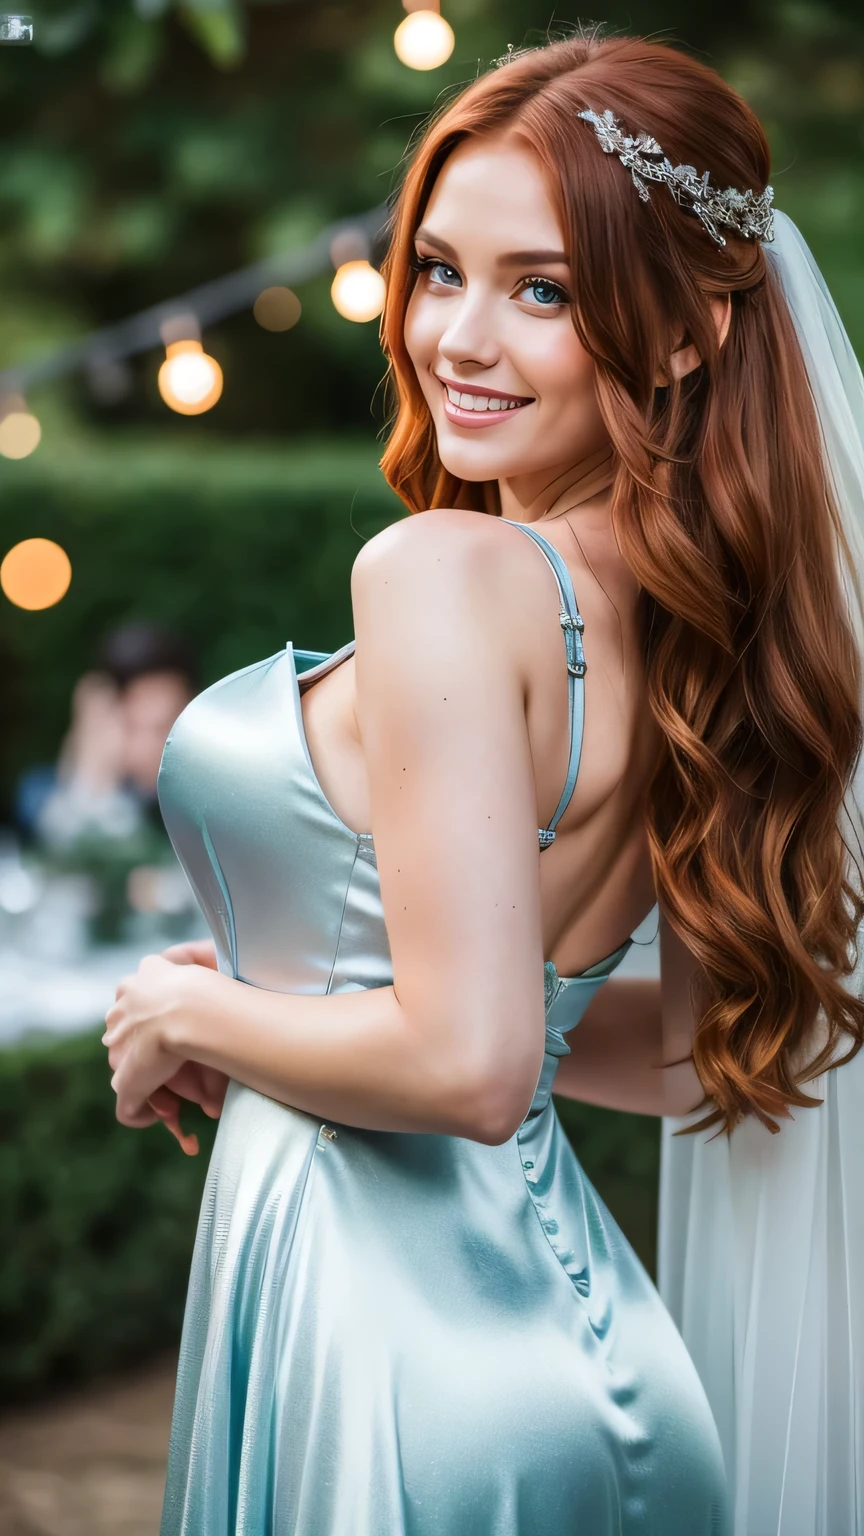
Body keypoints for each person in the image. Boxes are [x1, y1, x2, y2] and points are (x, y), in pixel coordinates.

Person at [101, 31, 864, 1536]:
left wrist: (185, 1012)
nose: (457, 335)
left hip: (395, 1352)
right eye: (439, 268)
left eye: (545, 291)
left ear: (691, 329)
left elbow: (467, 1067)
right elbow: (694, 1048)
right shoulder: (706, 631)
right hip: (571, 1354)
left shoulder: (445, 570)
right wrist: (299, 1023)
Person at [20, 622, 198, 850]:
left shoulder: (207, 803)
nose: (150, 747)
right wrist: (92, 773)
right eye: (134, 727)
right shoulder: (40, 795)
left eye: (166, 728)